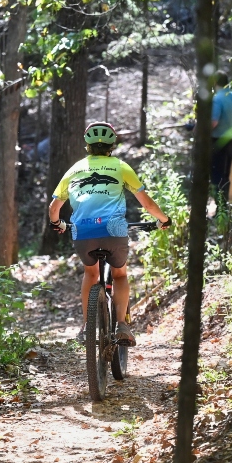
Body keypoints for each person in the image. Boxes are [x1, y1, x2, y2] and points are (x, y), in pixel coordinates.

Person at [48, 121, 171, 347]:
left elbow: (53, 209)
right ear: (112, 145)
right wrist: (163, 219)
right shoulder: (121, 166)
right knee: (120, 275)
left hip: (83, 231)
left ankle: (86, 327)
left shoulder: (74, 170)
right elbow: (147, 204)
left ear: (87, 146)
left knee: (91, 273)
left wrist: (57, 223)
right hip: (114, 230)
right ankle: (122, 325)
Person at [210, 71, 232, 218]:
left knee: (217, 176)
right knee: (226, 175)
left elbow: (213, 122)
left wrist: (197, 129)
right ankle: (224, 209)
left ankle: (220, 211)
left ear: (214, 82)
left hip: (218, 142)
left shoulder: (217, 99)